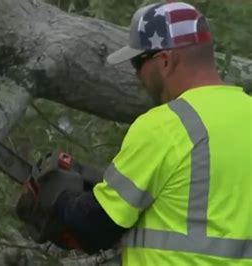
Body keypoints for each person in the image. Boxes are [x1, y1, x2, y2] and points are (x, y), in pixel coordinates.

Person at [16, 2, 251, 265]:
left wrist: (58, 197)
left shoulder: (167, 125)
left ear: (165, 60)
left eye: (138, 62)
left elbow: (97, 226)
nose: (137, 74)